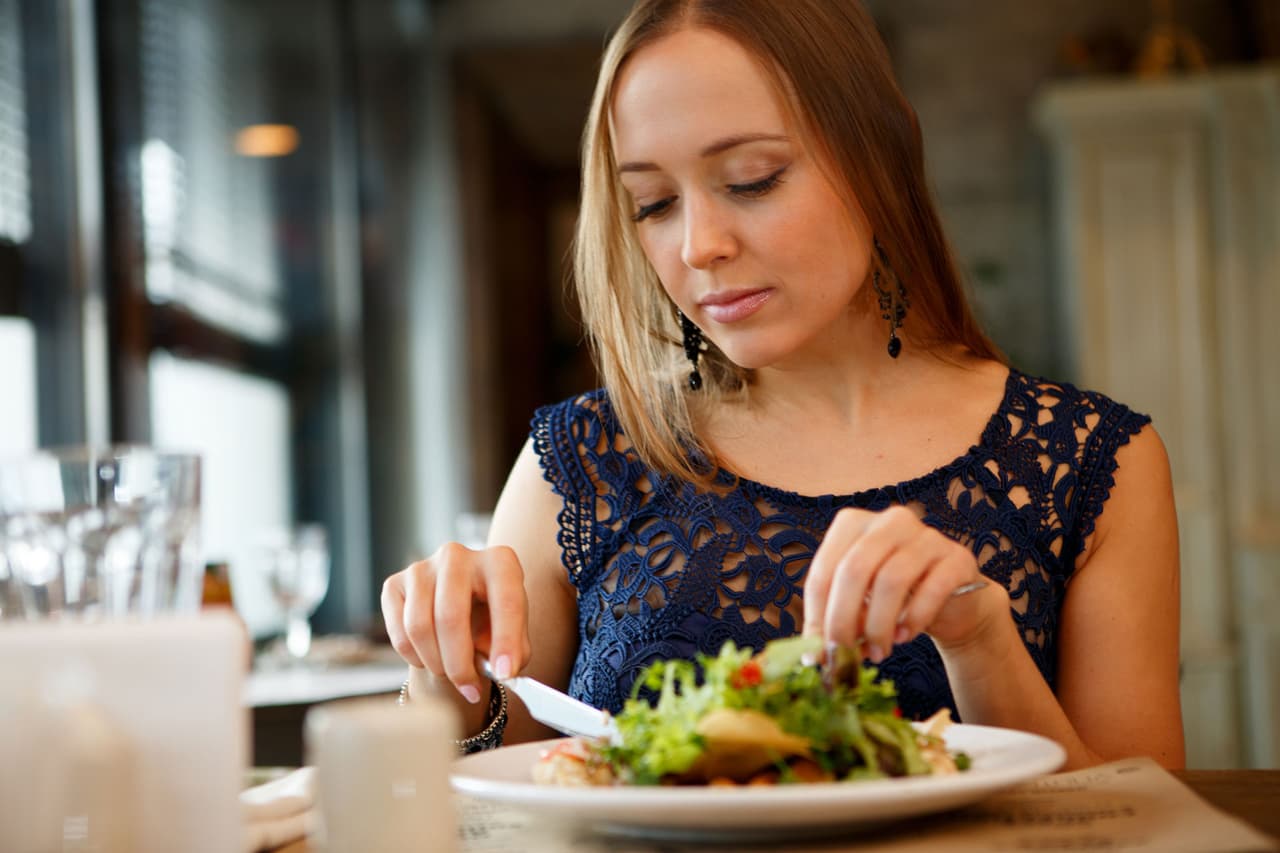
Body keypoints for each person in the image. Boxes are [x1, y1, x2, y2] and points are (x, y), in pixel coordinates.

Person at [383, 0, 1185, 770]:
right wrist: (445, 670)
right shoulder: (578, 463)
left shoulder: (1092, 465)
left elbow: (1146, 822)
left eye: (752, 179)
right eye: (653, 203)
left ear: (881, 157)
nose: (698, 245)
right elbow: (496, 794)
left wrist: (978, 640)